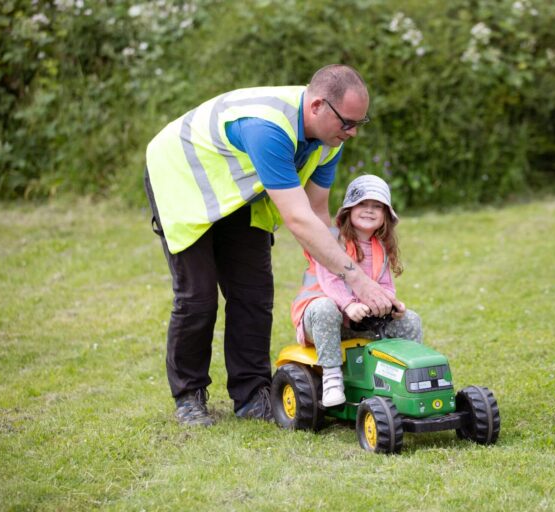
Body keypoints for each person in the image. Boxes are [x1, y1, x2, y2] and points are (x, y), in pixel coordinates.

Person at [144, 64, 402, 426]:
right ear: (317, 107)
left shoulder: (329, 141)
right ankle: (189, 396)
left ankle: (252, 396)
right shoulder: (267, 128)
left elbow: (316, 212)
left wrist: (340, 279)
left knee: (254, 292)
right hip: (183, 180)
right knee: (197, 297)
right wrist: (357, 278)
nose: (354, 132)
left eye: (360, 123)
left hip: (239, 192)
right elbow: (297, 219)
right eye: (347, 122)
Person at [291, 174, 423, 407]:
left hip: (358, 324)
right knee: (325, 307)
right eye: (362, 204)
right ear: (349, 210)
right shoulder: (331, 240)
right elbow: (329, 279)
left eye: (377, 206)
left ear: (385, 216)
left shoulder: (380, 248)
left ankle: (408, 379)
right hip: (320, 320)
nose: (369, 210)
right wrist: (349, 304)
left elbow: (382, 286)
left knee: (411, 320)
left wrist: (392, 304)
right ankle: (332, 376)